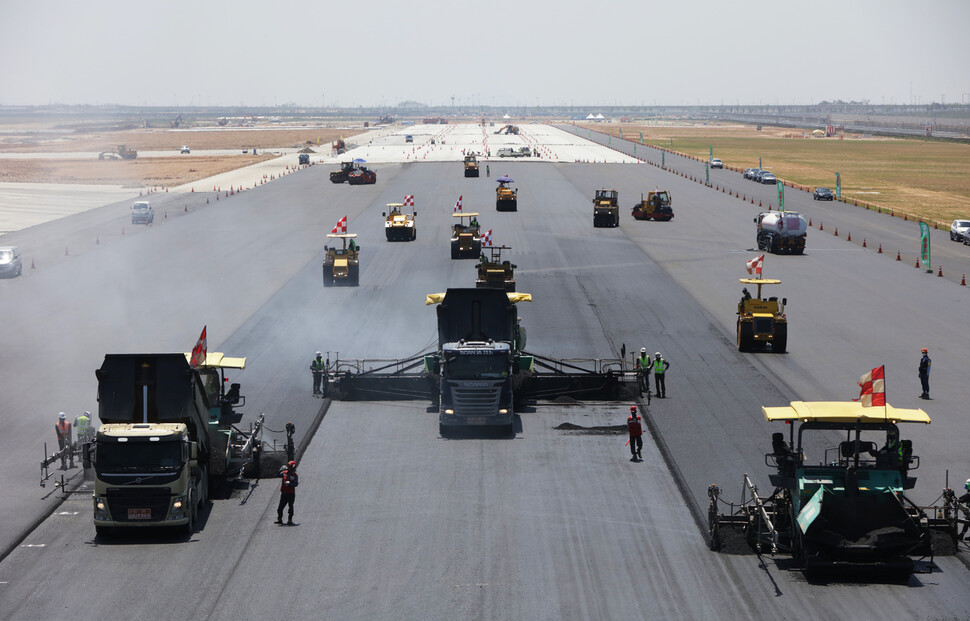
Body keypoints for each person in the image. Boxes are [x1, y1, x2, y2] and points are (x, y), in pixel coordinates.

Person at [276, 460, 299, 525]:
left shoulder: (295, 475)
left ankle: (290, 520)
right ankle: (279, 519)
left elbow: (296, 484)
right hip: (284, 493)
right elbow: (277, 475)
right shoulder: (284, 472)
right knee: (280, 508)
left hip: (291, 494)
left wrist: (290, 484)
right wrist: (280, 470)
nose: (288, 467)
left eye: (289, 466)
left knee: (290, 507)